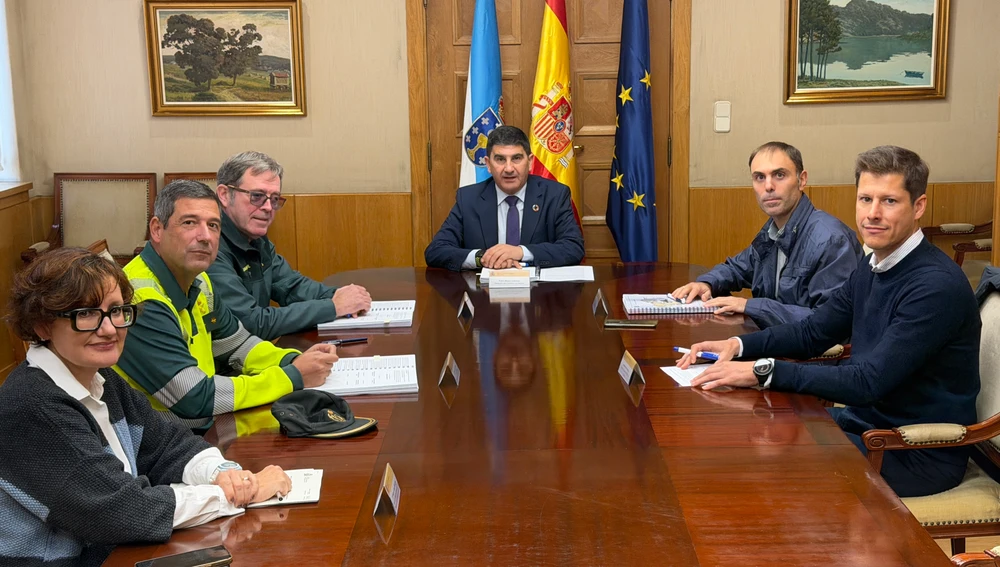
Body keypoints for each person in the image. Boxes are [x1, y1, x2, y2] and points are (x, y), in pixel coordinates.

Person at [677, 146, 981, 498]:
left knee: (758, 460)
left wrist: (763, 371)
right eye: (865, 199)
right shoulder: (873, 265)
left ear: (919, 206)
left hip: (913, 452)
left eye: (889, 201)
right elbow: (814, 332)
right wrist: (739, 345)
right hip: (867, 426)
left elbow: (868, 382)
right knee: (745, 429)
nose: (873, 214)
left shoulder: (935, 285)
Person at [0, 247, 293, 565]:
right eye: (85, 314)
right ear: (42, 326)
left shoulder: (101, 378)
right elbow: (119, 511)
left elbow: (169, 444)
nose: (109, 329)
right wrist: (238, 493)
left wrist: (224, 474)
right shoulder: (31, 407)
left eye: (116, 310)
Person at [114, 180, 339, 431]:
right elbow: (195, 397)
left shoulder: (199, 280)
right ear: (157, 229)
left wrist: (293, 360)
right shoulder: (139, 299)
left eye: (213, 225)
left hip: (207, 429)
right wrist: (292, 376)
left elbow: (237, 345)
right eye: (189, 223)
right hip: (164, 443)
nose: (205, 237)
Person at [672, 142, 862, 328]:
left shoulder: (831, 240)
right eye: (760, 177)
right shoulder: (774, 230)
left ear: (802, 180)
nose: (768, 186)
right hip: (777, 339)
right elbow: (737, 269)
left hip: (816, 349)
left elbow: (830, 322)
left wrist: (751, 306)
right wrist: (707, 283)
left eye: (779, 175)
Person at [208, 151, 371, 341]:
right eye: (257, 196)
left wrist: (344, 296)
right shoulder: (209, 247)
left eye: (274, 199)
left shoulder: (255, 239)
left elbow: (292, 287)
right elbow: (251, 323)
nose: (268, 207)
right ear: (224, 195)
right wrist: (333, 306)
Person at [424, 125, 585, 271]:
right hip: (484, 292)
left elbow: (573, 247)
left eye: (516, 158)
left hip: (539, 291)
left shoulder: (555, 195)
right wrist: (482, 258)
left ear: (530, 162)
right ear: (488, 164)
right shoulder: (468, 199)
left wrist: (520, 252)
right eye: (500, 159)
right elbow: (436, 250)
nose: (509, 168)